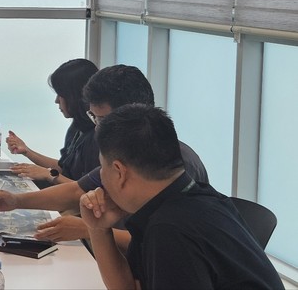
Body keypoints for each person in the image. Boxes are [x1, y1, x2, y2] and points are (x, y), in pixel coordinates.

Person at [0, 65, 208, 247]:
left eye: (101, 119)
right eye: (94, 118)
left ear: (129, 113)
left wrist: (91, 230)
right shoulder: (123, 153)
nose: (97, 128)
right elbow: (77, 190)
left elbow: (165, 244)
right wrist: (16, 201)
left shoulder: (175, 162)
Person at [80, 104, 282, 289]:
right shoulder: (200, 198)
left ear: (119, 172)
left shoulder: (170, 229)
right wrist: (98, 229)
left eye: (102, 168)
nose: (101, 178)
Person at [7, 59, 99, 185]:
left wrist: (48, 174)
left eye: (60, 95)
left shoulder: (97, 137)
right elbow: (64, 169)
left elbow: (85, 189)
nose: (56, 101)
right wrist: (27, 151)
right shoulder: (77, 128)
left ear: (75, 96)